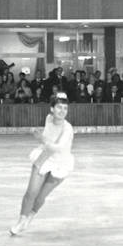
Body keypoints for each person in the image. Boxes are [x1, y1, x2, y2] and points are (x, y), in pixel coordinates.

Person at [10, 91, 74, 236]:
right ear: (52, 109)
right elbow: (48, 141)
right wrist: (43, 140)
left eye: (65, 108)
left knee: (40, 197)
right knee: (31, 193)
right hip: (45, 156)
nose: (62, 111)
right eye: (59, 107)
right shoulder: (48, 118)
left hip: (60, 163)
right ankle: (20, 221)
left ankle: (30, 218)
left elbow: (57, 147)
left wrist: (41, 138)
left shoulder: (67, 128)